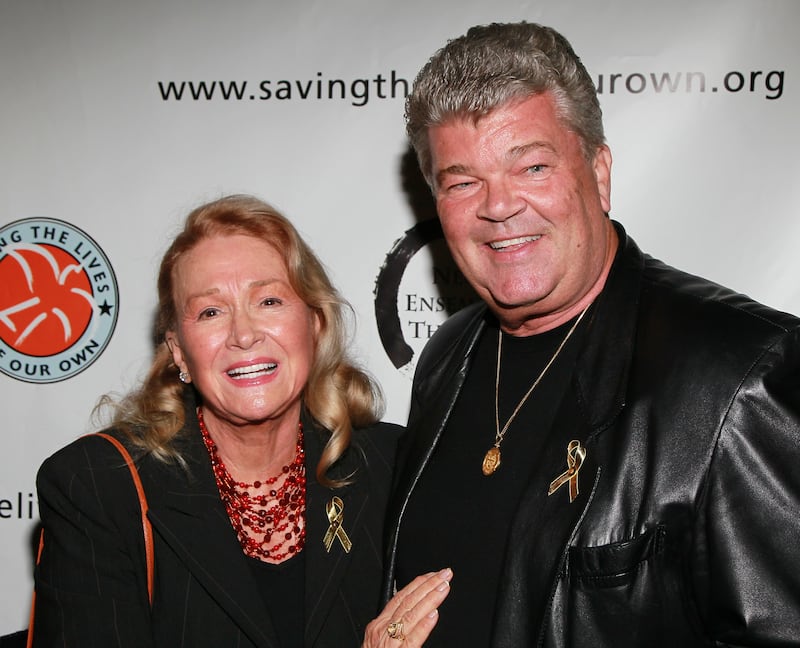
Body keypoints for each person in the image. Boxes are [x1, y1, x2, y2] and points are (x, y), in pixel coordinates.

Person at [380, 21, 800, 647]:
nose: (498, 206)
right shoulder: (448, 355)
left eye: (532, 166)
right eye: (463, 182)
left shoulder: (738, 376)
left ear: (599, 173)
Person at [29, 194, 450, 648]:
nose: (244, 335)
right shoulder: (97, 486)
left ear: (315, 325)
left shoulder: (391, 466)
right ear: (178, 351)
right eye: (210, 312)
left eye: (269, 301)